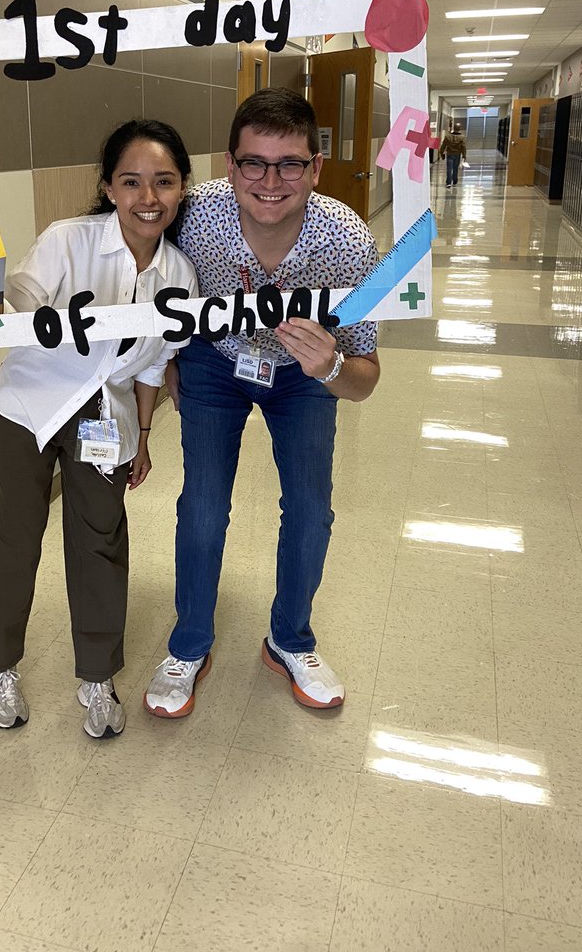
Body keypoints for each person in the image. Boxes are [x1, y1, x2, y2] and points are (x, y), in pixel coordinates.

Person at [0, 120, 197, 739]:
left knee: (101, 542)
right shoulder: (68, 240)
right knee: (12, 540)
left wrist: (141, 435)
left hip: (105, 419)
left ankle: (97, 677)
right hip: (28, 407)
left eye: (163, 182)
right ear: (108, 187)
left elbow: (154, 366)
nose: (148, 197)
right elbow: (15, 311)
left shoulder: (180, 276)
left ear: (182, 188)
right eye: (131, 181)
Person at [144, 88, 380, 718]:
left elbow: (365, 378)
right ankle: (189, 644)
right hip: (215, 361)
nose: (270, 181)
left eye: (290, 164)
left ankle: (289, 640)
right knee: (201, 505)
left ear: (316, 167)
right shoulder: (197, 217)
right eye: (254, 162)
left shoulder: (348, 243)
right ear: (230, 164)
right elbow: (112, 246)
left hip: (306, 376)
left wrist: (328, 363)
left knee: (310, 510)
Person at [440, 123, 467, 188]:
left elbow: (443, 146)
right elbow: (463, 147)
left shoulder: (447, 136)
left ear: (453, 128)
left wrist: (441, 153)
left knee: (449, 169)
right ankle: (455, 181)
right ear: (460, 129)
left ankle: (448, 183)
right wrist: (464, 155)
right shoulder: (462, 137)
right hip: (457, 155)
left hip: (449, 154)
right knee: (455, 168)